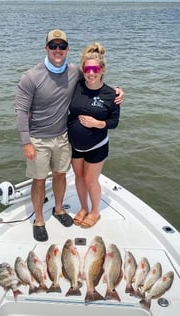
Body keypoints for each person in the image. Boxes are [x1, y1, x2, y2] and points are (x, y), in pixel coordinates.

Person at [15, 29, 123, 242]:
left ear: (67, 49)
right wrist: (26, 141)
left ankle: (58, 209)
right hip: (38, 138)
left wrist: (118, 90)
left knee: (60, 175)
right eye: (53, 46)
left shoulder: (75, 72)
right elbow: (20, 111)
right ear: (46, 48)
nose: (57, 50)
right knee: (38, 181)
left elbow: (96, 77)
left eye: (62, 46)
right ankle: (38, 220)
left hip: (64, 138)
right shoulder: (31, 76)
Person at [68, 42, 120, 228]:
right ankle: (83, 207)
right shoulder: (77, 86)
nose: (91, 73)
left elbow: (114, 121)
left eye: (95, 68)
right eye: (87, 69)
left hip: (97, 145)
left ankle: (95, 211)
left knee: (91, 180)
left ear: (102, 69)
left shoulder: (110, 94)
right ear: (83, 70)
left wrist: (97, 123)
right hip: (75, 145)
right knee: (79, 177)